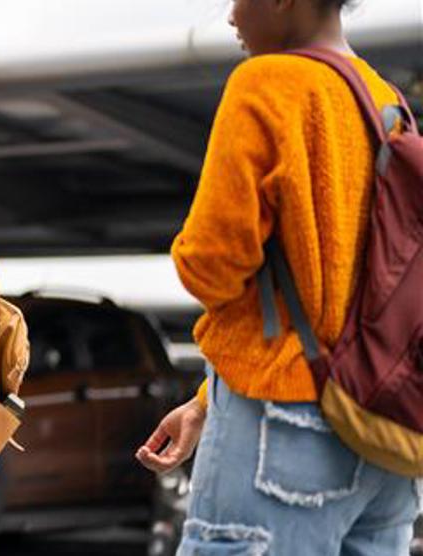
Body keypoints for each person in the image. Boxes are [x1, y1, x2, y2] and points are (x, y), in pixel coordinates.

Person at [135, 0, 419, 553]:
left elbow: (211, 266)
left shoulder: (267, 83)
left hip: (281, 430)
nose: (231, 17)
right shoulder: (387, 103)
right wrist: (203, 402)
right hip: (383, 438)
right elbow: (352, 296)